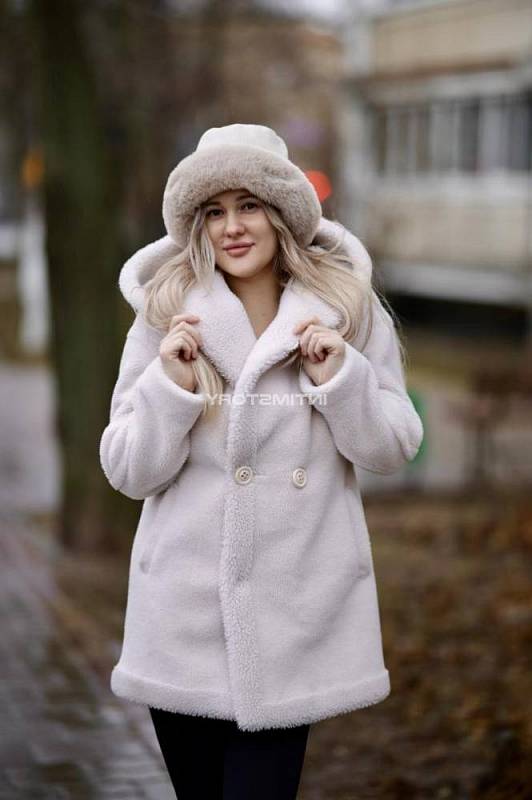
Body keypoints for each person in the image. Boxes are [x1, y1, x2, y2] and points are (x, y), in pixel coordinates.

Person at [99, 123, 424, 799]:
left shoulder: (346, 309)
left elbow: (393, 447)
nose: (232, 228)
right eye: (214, 211)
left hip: (293, 618)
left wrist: (341, 379)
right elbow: (128, 471)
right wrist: (169, 388)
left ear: (281, 213)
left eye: (248, 205)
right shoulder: (165, 313)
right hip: (183, 619)